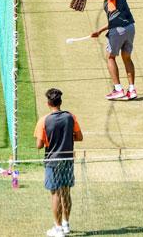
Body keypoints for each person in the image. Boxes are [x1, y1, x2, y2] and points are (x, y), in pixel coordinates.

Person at [73, 0, 137, 100]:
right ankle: (132, 90)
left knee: (110, 57)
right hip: (130, 28)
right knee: (127, 58)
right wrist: (100, 31)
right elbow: (116, 19)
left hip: (118, 30)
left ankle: (118, 89)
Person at [34, 88, 83, 237]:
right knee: (66, 192)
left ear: (48, 103)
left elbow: (39, 145)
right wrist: (67, 138)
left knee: (55, 193)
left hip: (52, 161)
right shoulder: (71, 117)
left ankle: (58, 228)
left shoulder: (44, 120)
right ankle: (66, 224)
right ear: (60, 102)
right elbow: (79, 137)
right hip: (68, 160)